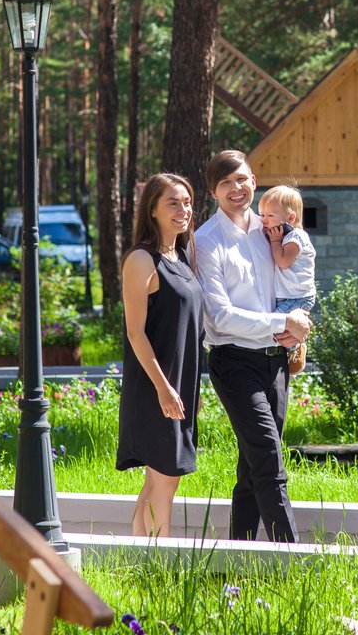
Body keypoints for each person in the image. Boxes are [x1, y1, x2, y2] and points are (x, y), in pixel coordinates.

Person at [194, 150, 312, 542]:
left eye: (242, 179)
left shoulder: (272, 232)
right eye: (226, 182)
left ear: (254, 180)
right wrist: (283, 322)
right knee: (268, 459)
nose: (236, 188)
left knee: (251, 467)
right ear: (213, 190)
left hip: (276, 361)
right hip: (233, 363)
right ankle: (295, 562)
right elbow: (219, 317)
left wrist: (300, 322)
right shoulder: (207, 241)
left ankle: (237, 557)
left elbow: (297, 280)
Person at [115, 173, 204, 538]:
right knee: (166, 478)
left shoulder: (180, 257)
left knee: (161, 480)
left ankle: (139, 560)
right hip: (155, 387)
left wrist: (189, 390)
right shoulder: (141, 259)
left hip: (180, 385)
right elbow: (135, 333)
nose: (183, 210)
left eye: (187, 202)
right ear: (152, 209)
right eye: (173, 202)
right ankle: (161, 562)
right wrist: (164, 389)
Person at [257, 185, 317, 375]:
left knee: (273, 329)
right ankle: (292, 348)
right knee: (275, 328)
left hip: (298, 297)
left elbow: (283, 261)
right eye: (262, 215)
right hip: (288, 296)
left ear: (290, 218)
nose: (264, 221)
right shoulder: (285, 235)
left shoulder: (296, 237)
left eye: (270, 216)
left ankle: (296, 348)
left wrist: (274, 241)